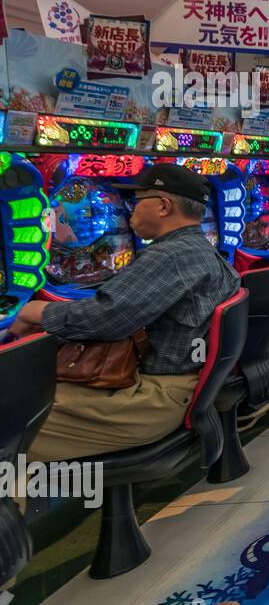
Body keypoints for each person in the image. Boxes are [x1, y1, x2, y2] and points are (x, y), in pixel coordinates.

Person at [10, 164, 240, 459]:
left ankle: (12, 504)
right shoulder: (199, 250)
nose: (128, 210)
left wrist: (34, 312)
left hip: (156, 397)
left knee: (14, 420)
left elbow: (105, 318)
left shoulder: (172, 256)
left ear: (163, 206)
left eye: (136, 201)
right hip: (183, 388)